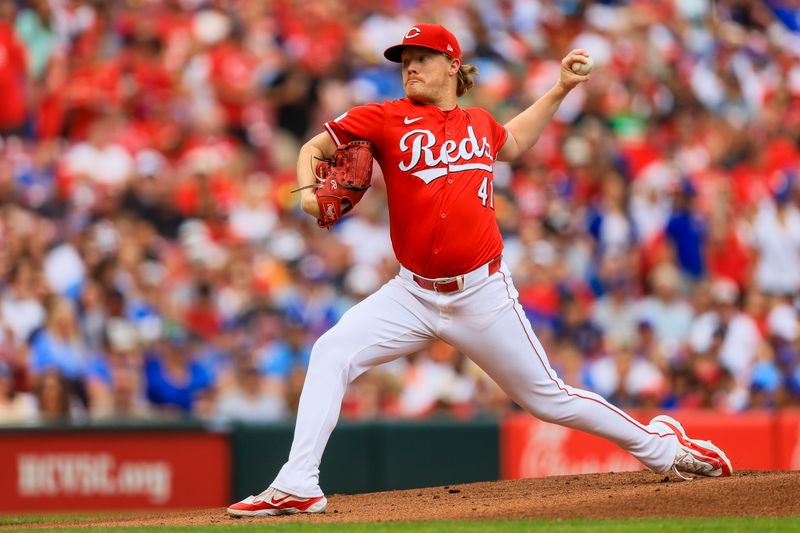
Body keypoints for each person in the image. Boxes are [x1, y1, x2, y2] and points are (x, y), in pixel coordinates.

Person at [227, 24, 732, 517]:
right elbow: (312, 148)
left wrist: (559, 88)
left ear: (452, 65)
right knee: (331, 351)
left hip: (482, 293)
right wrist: (308, 196)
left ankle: (665, 450)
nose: (410, 69)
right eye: (405, 63)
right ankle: (297, 483)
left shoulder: (479, 124)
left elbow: (512, 142)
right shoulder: (384, 117)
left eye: (421, 59)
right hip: (412, 294)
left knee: (549, 400)